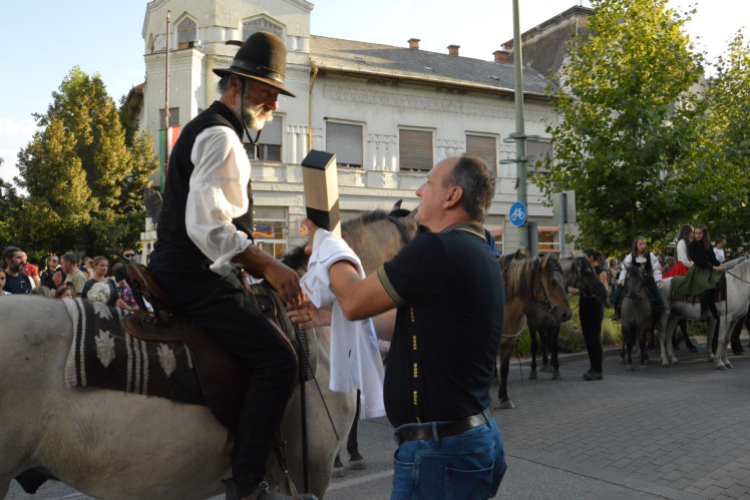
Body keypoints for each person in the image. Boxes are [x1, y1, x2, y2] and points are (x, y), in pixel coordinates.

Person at [148, 32, 310, 500]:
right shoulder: (221, 137)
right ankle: (248, 484)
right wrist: (271, 267)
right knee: (280, 360)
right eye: (266, 93)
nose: (273, 106)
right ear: (235, 85)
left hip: (185, 269)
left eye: (277, 96)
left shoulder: (215, 130)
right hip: (193, 275)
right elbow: (208, 227)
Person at [292, 155, 507, 500]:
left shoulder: (437, 248)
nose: (420, 190)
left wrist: (327, 242)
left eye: (429, 183)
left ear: (452, 196)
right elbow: (411, 323)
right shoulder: (478, 250)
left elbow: (355, 298)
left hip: (441, 452)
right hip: (468, 440)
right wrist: (332, 314)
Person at [673, 224, 725, 322]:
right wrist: (713, 267)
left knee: (719, 281)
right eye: (695, 233)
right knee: (706, 285)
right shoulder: (693, 245)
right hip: (698, 270)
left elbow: (712, 258)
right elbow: (698, 261)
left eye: (699, 233)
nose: (697, 235)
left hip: (709, 269)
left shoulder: (708, 244)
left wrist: (720, 264)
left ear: (704, 234)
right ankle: (703, 312)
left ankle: (714, 306)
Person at [573, 248, 608, 381]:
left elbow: (604, 290)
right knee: (587, 337)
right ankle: (592, 367)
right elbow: (579, 289)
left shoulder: (600, 272)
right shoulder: (584, 272)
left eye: (584, 256)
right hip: (584, 304)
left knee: (594, 337)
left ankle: (598, 369)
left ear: (591, 257)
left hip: (595, 305)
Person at [615, 236, 666, 318]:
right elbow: (624, 269)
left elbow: (656, 270)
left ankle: (657, 319)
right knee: (620, 293)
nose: (643, 246)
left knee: (657, 296)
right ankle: (617, 312)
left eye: (644, 244)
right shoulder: (630, 257)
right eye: (640, 244)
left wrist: (659, 281)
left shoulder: (651, 256)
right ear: (636, 245)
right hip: (634, 281)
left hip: (648, 280)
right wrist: (623, 280)